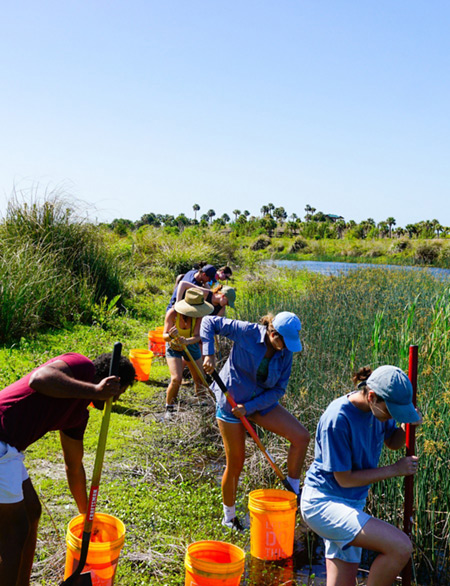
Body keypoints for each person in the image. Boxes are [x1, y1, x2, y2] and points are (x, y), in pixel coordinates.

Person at [0, 351, 136, 585]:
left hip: (10, 451)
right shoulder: (81, 365)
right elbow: (39, 379)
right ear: (109, 382)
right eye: (118, 394)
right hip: (2, 440)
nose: (115, 401)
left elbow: (73, 467)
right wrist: (94, 391)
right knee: (15, 530)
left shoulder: (77, 416)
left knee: (32, 511)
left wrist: (87, 516)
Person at [300, 365, 422, 586]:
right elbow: (344, 479)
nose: (391, 417)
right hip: (322, 503)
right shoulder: (337, 419)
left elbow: (392, 442)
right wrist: (395, 470)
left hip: (352, 503)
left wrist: (407, 426)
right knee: (400, 547)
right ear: (372, 396)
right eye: (391, 411)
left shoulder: (378, 410)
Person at [201, 311, 310, 530]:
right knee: (236, 463)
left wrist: (249, 408)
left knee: (302, 437)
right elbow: (208, 321)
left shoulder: (285, 352)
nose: (286, 347)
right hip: (231, 403)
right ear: (272, 332)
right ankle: (229, 518)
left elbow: (279, 388)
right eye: (283, 341)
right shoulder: (247, 332)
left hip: (258, 403)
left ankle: (293, 493)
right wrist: (208, 354)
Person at [163, 288, 214, 414]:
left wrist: (187, 341)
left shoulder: (198, 317)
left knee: (200, 378)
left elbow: (197, 336)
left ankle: (203, 405)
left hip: (191, 346)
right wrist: (170, 335)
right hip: (173, 346)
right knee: (176, 379)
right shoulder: (173, 314)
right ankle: (169, 408)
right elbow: (164, 336)